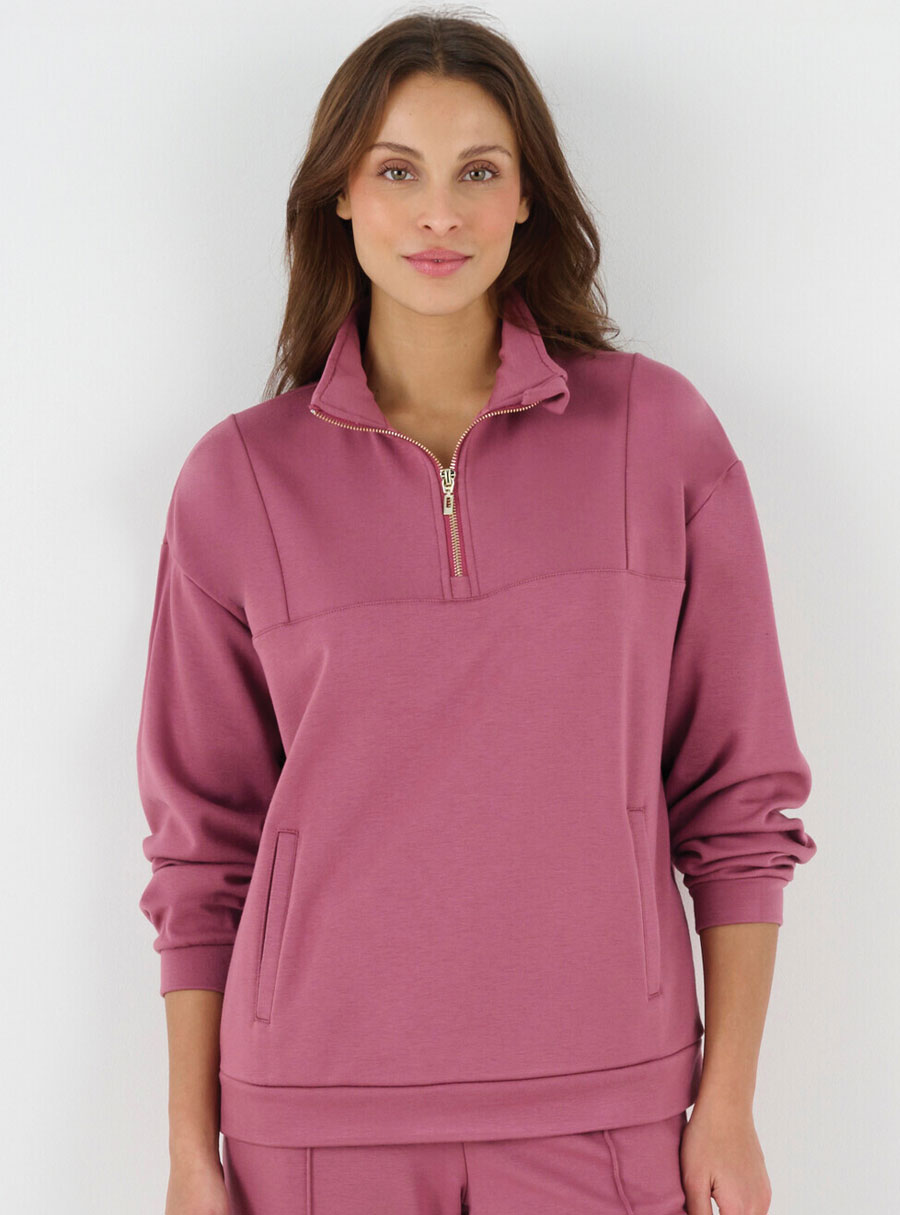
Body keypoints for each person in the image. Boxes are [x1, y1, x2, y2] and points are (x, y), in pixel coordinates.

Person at [136, 11, 817, 1215]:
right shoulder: (239, 480)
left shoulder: (657, 439)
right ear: (340, 197)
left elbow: (738, 803)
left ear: (526, 199)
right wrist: (194, 1155)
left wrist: (729, 1101)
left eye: (479, 173)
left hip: (606, 1107)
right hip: (316, 1118)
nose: (439, 215)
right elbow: (203, 846)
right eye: (398, 172)